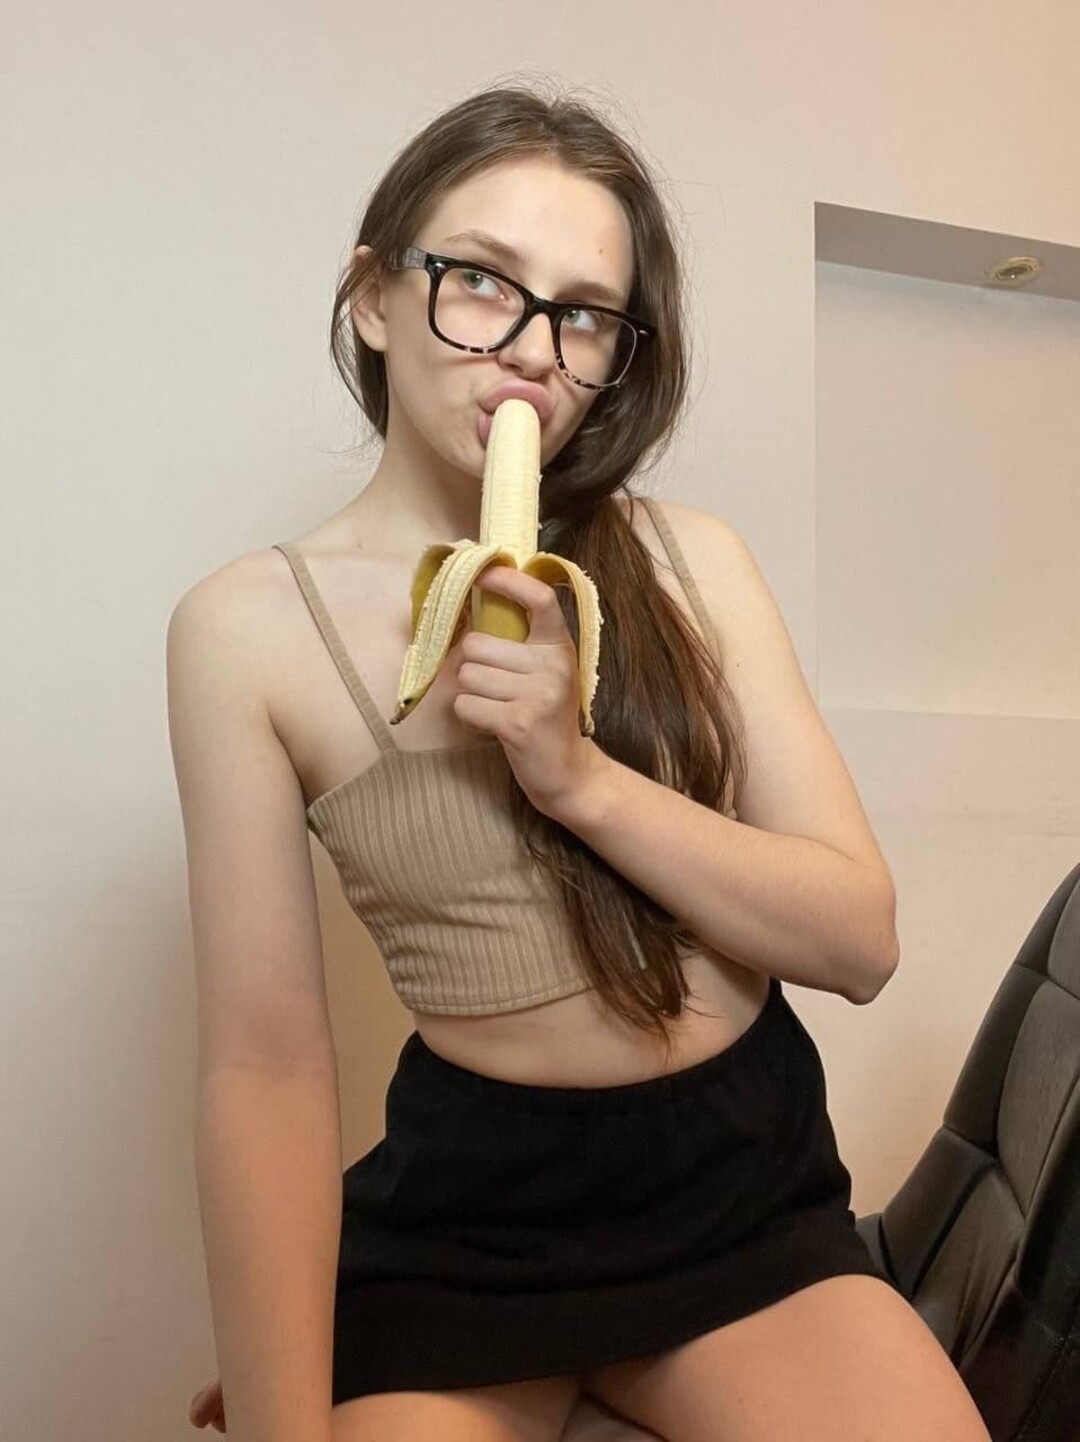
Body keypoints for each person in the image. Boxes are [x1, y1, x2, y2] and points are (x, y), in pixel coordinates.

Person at [168, 80, 992, 1442]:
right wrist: (283, 1392)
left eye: (586, 313)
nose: (534, 351)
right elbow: (263, 1072)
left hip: (737, 1200)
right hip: (466, 1225)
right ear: (373, 297)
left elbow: (860, 941)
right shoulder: (244, 632)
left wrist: (579, 777)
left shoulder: (692, 562)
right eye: (483, 282)